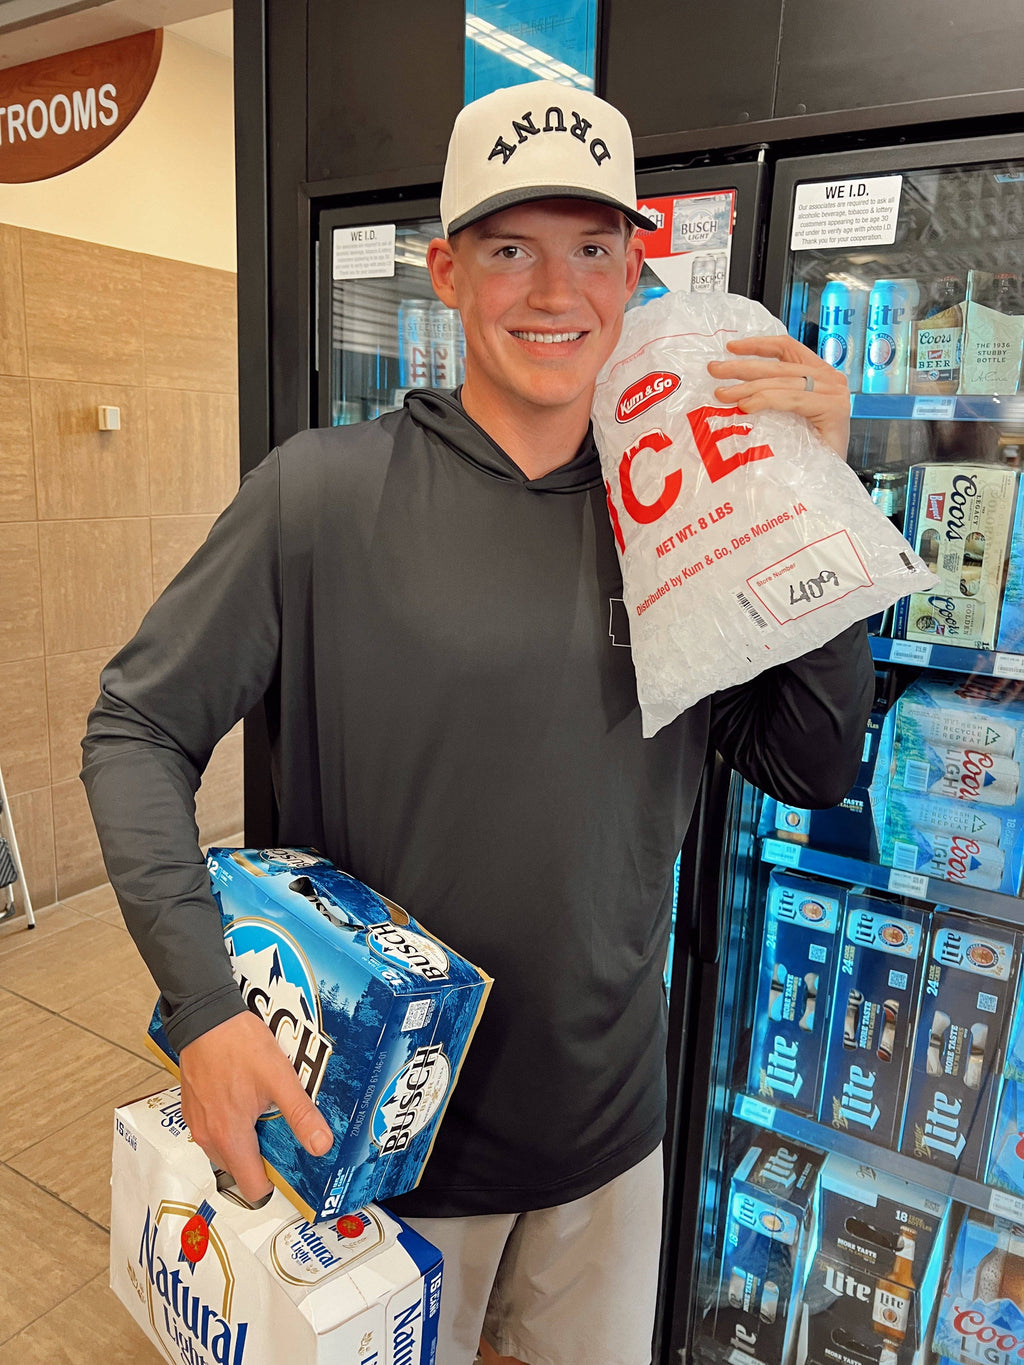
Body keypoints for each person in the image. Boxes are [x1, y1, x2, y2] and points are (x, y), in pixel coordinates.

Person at [82, 80, 872, 1365]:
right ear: (446, 273)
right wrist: (209, 1010)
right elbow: (133, 731)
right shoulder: (320, 497)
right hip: (365, 1156)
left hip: (607, 1140)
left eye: (591, 249)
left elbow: (811, 765)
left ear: (636, 271)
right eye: (510, 249)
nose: (554, 293)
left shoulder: (684, 517)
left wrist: (817, 500)